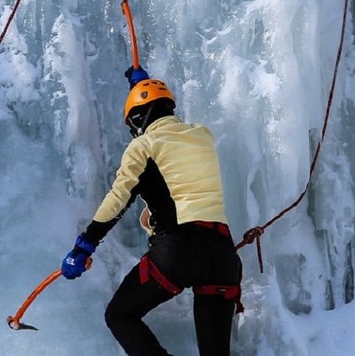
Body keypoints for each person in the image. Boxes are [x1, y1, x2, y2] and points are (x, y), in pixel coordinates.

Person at [61, 66, 243, 356]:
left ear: (137, 118)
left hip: (179, 251)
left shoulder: (144, 146)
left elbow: (118, 198)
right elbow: (172, 145)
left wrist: (85, 244)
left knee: (120, 315)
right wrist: (144, 87)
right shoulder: (202, 135)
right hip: (222, 257)